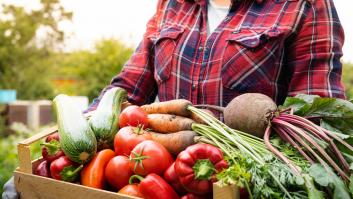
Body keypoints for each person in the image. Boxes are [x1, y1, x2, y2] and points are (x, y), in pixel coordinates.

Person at [2, 0, 345, 198]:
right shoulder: (173, 4)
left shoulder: (304, 6)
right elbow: (127, 87)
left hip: (242, 181)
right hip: (158, 179)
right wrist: (63, 144)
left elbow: (314, 118)